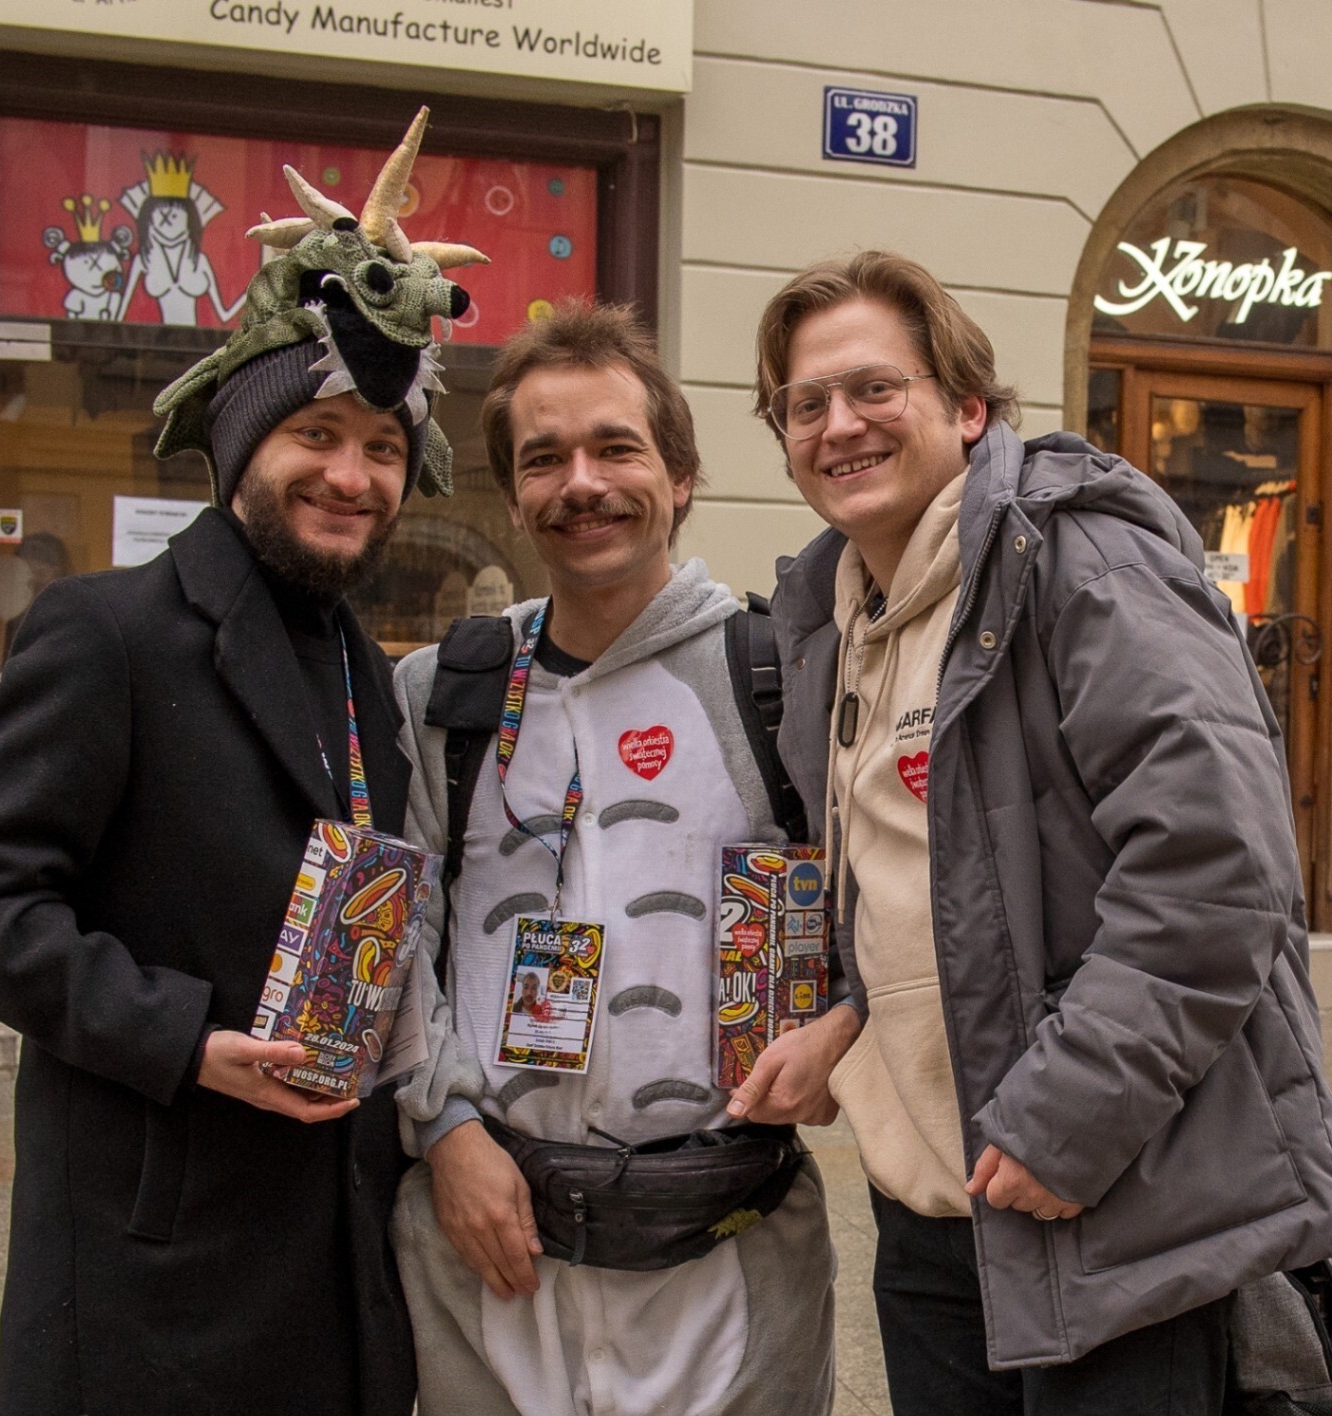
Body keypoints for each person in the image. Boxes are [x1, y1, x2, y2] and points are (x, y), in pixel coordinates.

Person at [0, 115, 480, 1416]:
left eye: (382, 448)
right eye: (317, 435)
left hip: (328, 1259)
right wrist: (184, 1039)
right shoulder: (107, 633)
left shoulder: (364, 671)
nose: (350, 475)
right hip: (156, 1273)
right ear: (240, 442)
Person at [737, 250, 1332, 1412]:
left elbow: (1215, 872)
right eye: (804, 404)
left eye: (874, 388)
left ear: (965, 408)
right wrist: (846, 1020)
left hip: (1106, 1197)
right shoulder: (826, 617)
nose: (838, 425)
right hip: (932, 1210)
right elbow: (922, 886)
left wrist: (1067, 1124)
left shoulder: (1080, 557)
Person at [392, 302, 837, 1416]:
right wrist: (443, 1131)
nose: (580, 483)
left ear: (679, 477)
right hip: (493, 1253)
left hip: (727, 1255)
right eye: (544, 459)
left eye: (615, 448)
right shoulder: (444, 695)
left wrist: (843, 1029)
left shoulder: (782, 678)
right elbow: (398, 932)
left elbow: (881, 908)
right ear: (513, 495)